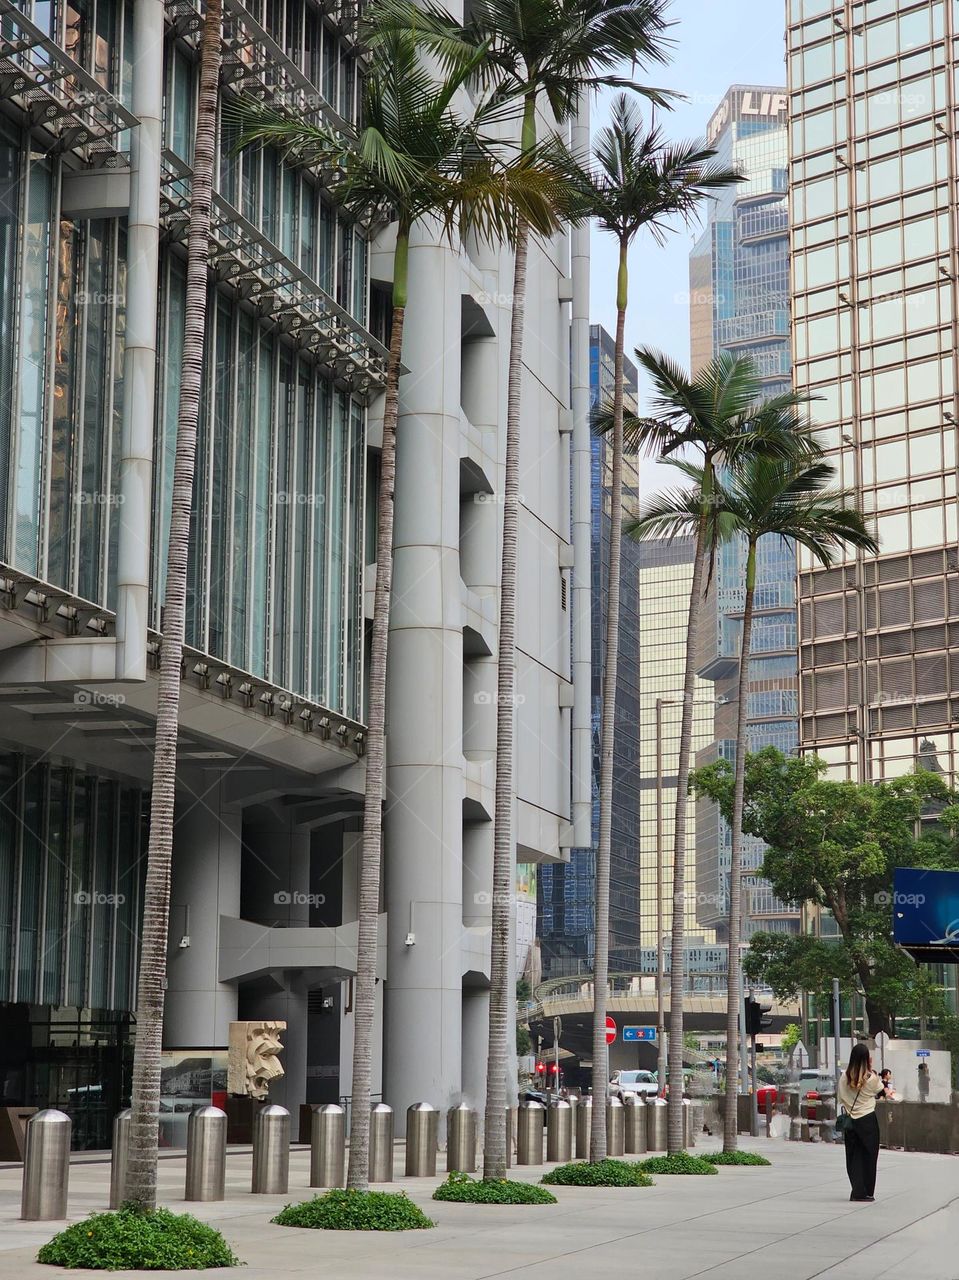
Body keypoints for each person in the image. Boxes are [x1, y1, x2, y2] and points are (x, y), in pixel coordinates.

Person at [837, 1043, 884, 1202]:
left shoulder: (844, 1077)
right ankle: (867, 1191)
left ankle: (856, 1190)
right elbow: (880, 1090)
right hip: (868, 1121)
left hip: (850, 1122)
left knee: (853, 1156)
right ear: (867, 1059)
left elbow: (840, 1098)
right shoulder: (871, 1079)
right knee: (869, 1157)